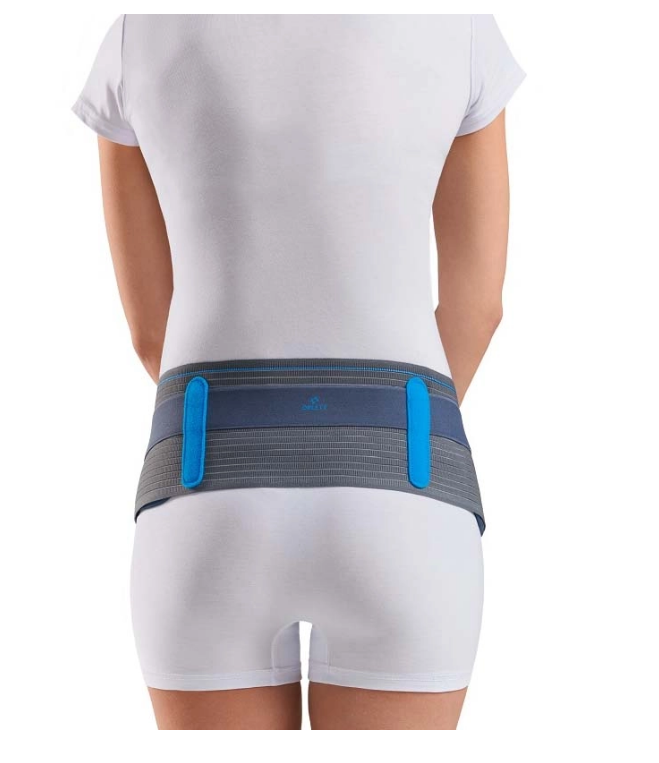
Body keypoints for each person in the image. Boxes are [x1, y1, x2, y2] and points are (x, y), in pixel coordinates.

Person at [71, 14, 525, 730]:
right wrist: (380, 436)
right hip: (404, 495)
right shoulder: (457, 24)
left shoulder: (138, 32)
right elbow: (478, 308)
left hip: (205, 492)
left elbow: (150, 330)